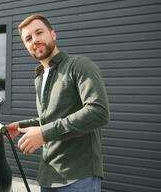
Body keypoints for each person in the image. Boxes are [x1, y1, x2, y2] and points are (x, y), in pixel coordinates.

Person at [6, 14, 110, 192]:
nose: (35, 40)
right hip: (48, 178)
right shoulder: (39, 76)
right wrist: (21, 126)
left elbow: (98, 112)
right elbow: (51, 118)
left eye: (39, 32)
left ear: (53, 34)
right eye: (28, 38)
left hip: (78, 177)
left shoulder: (79, 65)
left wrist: (44, 134)